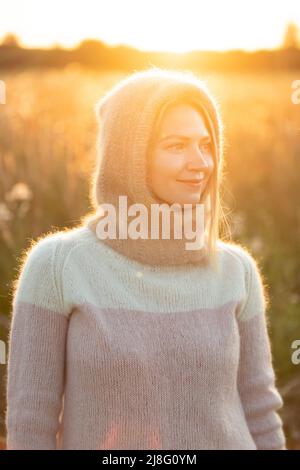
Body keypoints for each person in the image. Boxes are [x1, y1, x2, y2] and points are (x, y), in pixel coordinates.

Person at [5, 67, 286, 450]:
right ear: (128, 157)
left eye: (206, 145)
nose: (201, 163)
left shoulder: (237, 271)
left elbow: (260, 408)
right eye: (176, 146)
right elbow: (30, 423)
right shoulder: (57, 266)